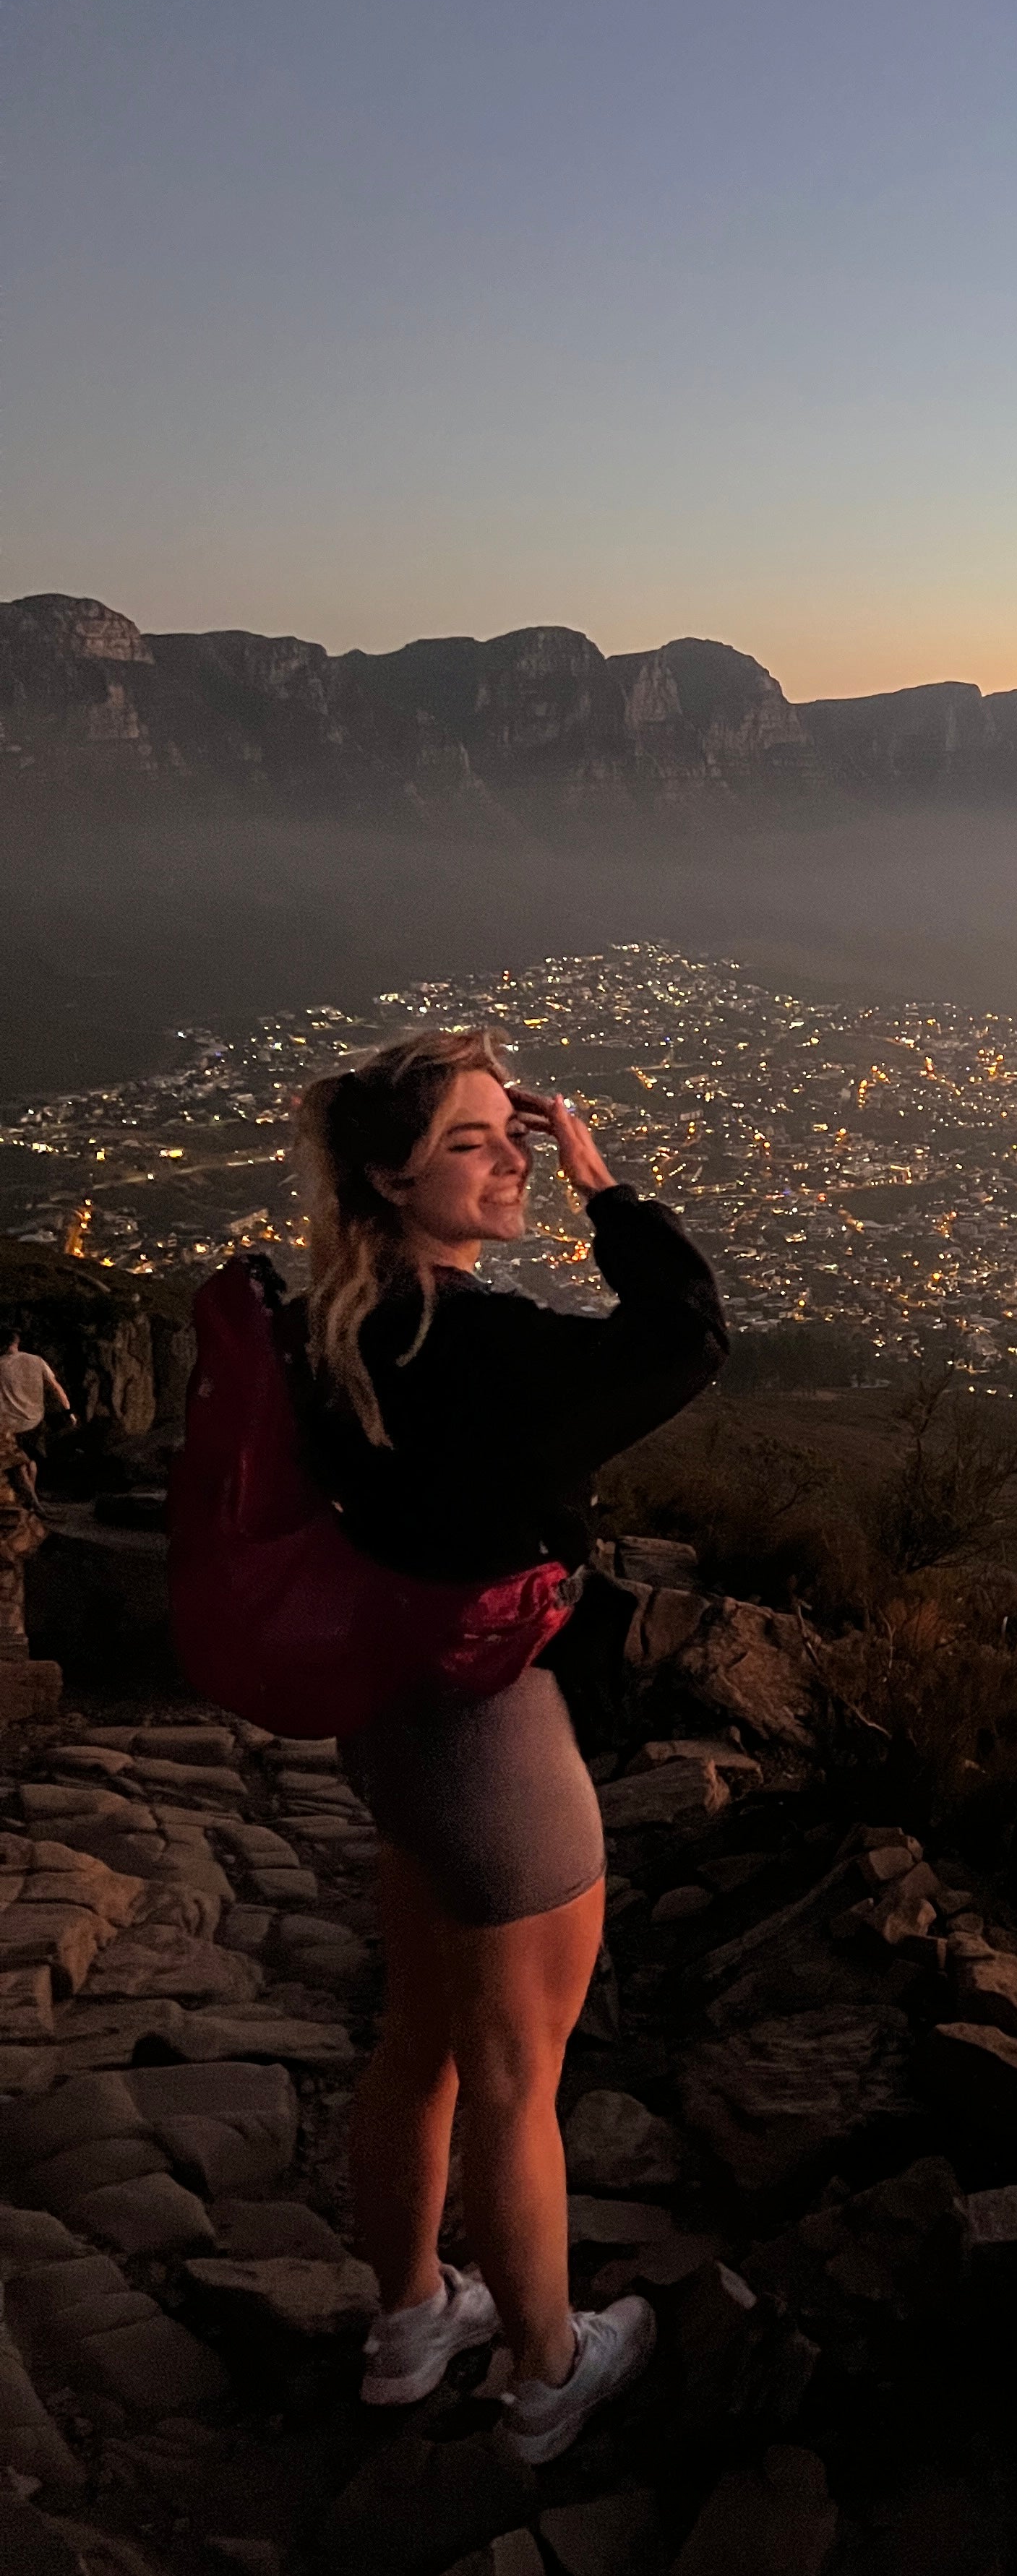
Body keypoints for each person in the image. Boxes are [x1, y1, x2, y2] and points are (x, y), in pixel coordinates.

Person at [289, 1029, 725, 2462]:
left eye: (515, 1133)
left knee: (421, 2043)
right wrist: (605, 1187)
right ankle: (548, 2370)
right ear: (389, 1176)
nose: (510, 1160)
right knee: (516, 2078)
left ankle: (413, 2316)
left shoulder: (338, 1319)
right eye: (470, 1140)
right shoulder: (472, 1343)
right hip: (492, 1742)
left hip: (393, 1720)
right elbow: (684, 1335)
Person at [0, 1326, 74, 1500]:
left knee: (17, 1462)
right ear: (17, 1342)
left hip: (8, 1422)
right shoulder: (36, 1361)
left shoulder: (1, 1364)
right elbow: (56, 1387)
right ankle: (31, 1498)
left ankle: (28, 1499)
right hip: (33, 1420)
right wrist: (68, 1411)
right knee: (31, 1460)